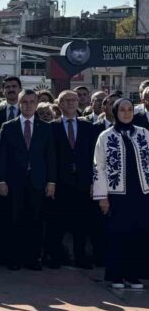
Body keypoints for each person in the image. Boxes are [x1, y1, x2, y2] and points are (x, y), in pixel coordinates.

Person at [0, 89, 56, 271]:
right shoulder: (8, 126)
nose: (28, 105)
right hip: (14, 181)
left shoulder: (46, 127)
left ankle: (33, 258)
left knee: (35, 220)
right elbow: (1, 157)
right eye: (25, 102)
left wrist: (51, 182)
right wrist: (1, 181)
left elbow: (50, 157)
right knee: (14, 219)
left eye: (32, 102)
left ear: (36, 104)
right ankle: (14, 258)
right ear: (19, 104)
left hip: (38, 181)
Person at [93, 98, 149, 290]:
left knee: (138, 234)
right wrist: (102, 197)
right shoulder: (106, 136)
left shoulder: (144, 133)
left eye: (129, 109)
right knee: (118, 235)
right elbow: (98, 167)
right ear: (115, 112)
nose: (126, 113)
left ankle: (133, 276)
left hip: (142, 193)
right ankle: (116, 275)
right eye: (122, 110)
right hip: (117, 194)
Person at [45, 90, 97, 269]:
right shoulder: (51, 127)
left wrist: (92, 182)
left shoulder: (88, 127)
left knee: (81, 222)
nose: (71, 103)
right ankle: (55, 257)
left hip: (82, 182)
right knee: (56, 222)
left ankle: (81, 257)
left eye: (73, 100)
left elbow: (93, 157)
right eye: (66, 100)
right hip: (60, 182)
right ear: (59, 104)